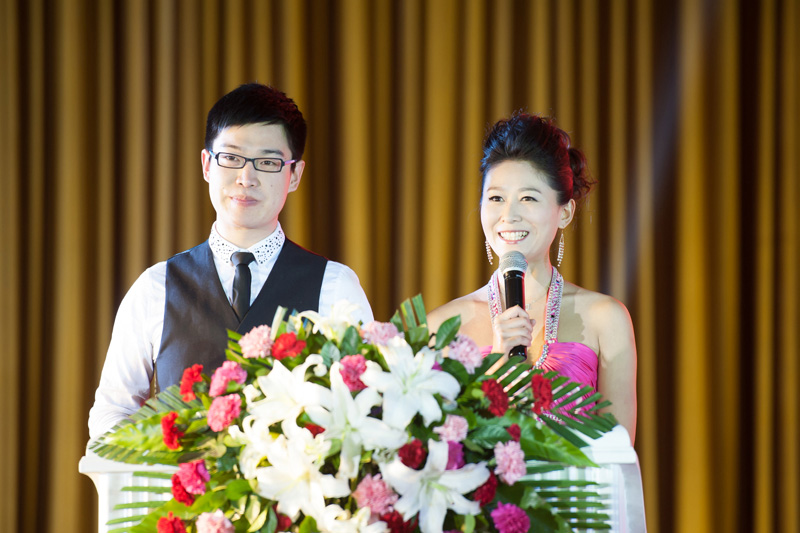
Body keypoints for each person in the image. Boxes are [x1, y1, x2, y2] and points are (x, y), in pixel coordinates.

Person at [88, 83, 373, 440]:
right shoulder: (156, 287)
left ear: (295, 175)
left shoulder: (336, 286)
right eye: (232, 158)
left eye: (267, 162)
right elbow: (113, 409)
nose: (246, 178)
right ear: (207, 164)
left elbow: (370, 404)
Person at [427, 112, 637, 443]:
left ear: (565, 212)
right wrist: (497, 361)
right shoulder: (442, 326)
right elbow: (435, 452)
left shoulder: (606, 318)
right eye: (496, 198)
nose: (509, 215)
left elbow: (619, 456)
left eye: (528, 198)